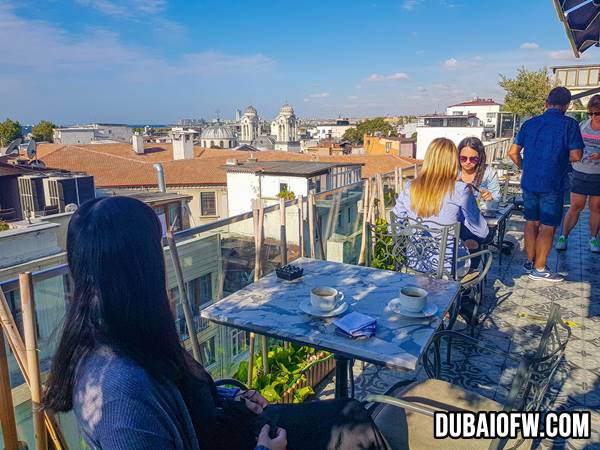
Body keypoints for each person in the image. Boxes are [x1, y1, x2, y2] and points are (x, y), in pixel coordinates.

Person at [43, 196, 387, 450]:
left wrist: (228, 399)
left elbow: (183, 395)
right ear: (140, 271)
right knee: (353, 430)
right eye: (157, 249)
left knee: (351, 414)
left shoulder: (120, 331)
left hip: (225, 425)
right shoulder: (121, 395)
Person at [508, 86, 584, 282]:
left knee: (531, 221)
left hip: (529, 181)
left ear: (546, 104)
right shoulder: (570, 125)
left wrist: (525, 166)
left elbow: (512, 153)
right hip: (553, 182)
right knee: (548, 226)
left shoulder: (529, 124)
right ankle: (540, 268)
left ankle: (530, 262)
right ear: (566, 106)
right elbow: (576, 155)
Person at [393, 137, 489, 274]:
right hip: (449, 268)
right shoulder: (460, 190)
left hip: (415, 261)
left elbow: (394, 227)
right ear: (453, 161)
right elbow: (482, 231)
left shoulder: (410, 187)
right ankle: (465, 294)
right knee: (475, 248)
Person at [556, 94, 600, 253]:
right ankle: (563, 237)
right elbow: (572, 144)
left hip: (598, 175)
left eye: (597, 113)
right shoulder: (583, 126)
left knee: (596, 207)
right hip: (580, 171)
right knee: (576, 206)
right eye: (591, 113)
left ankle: (594, 239)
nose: (594, 117)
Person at [458, 136, 501, 202]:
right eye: (463, 158)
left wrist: (490, 199)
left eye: (473, 159)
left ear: (480, 158)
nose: (468, 162)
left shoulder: (489, 173)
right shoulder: (452, 172)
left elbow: (496, 201)